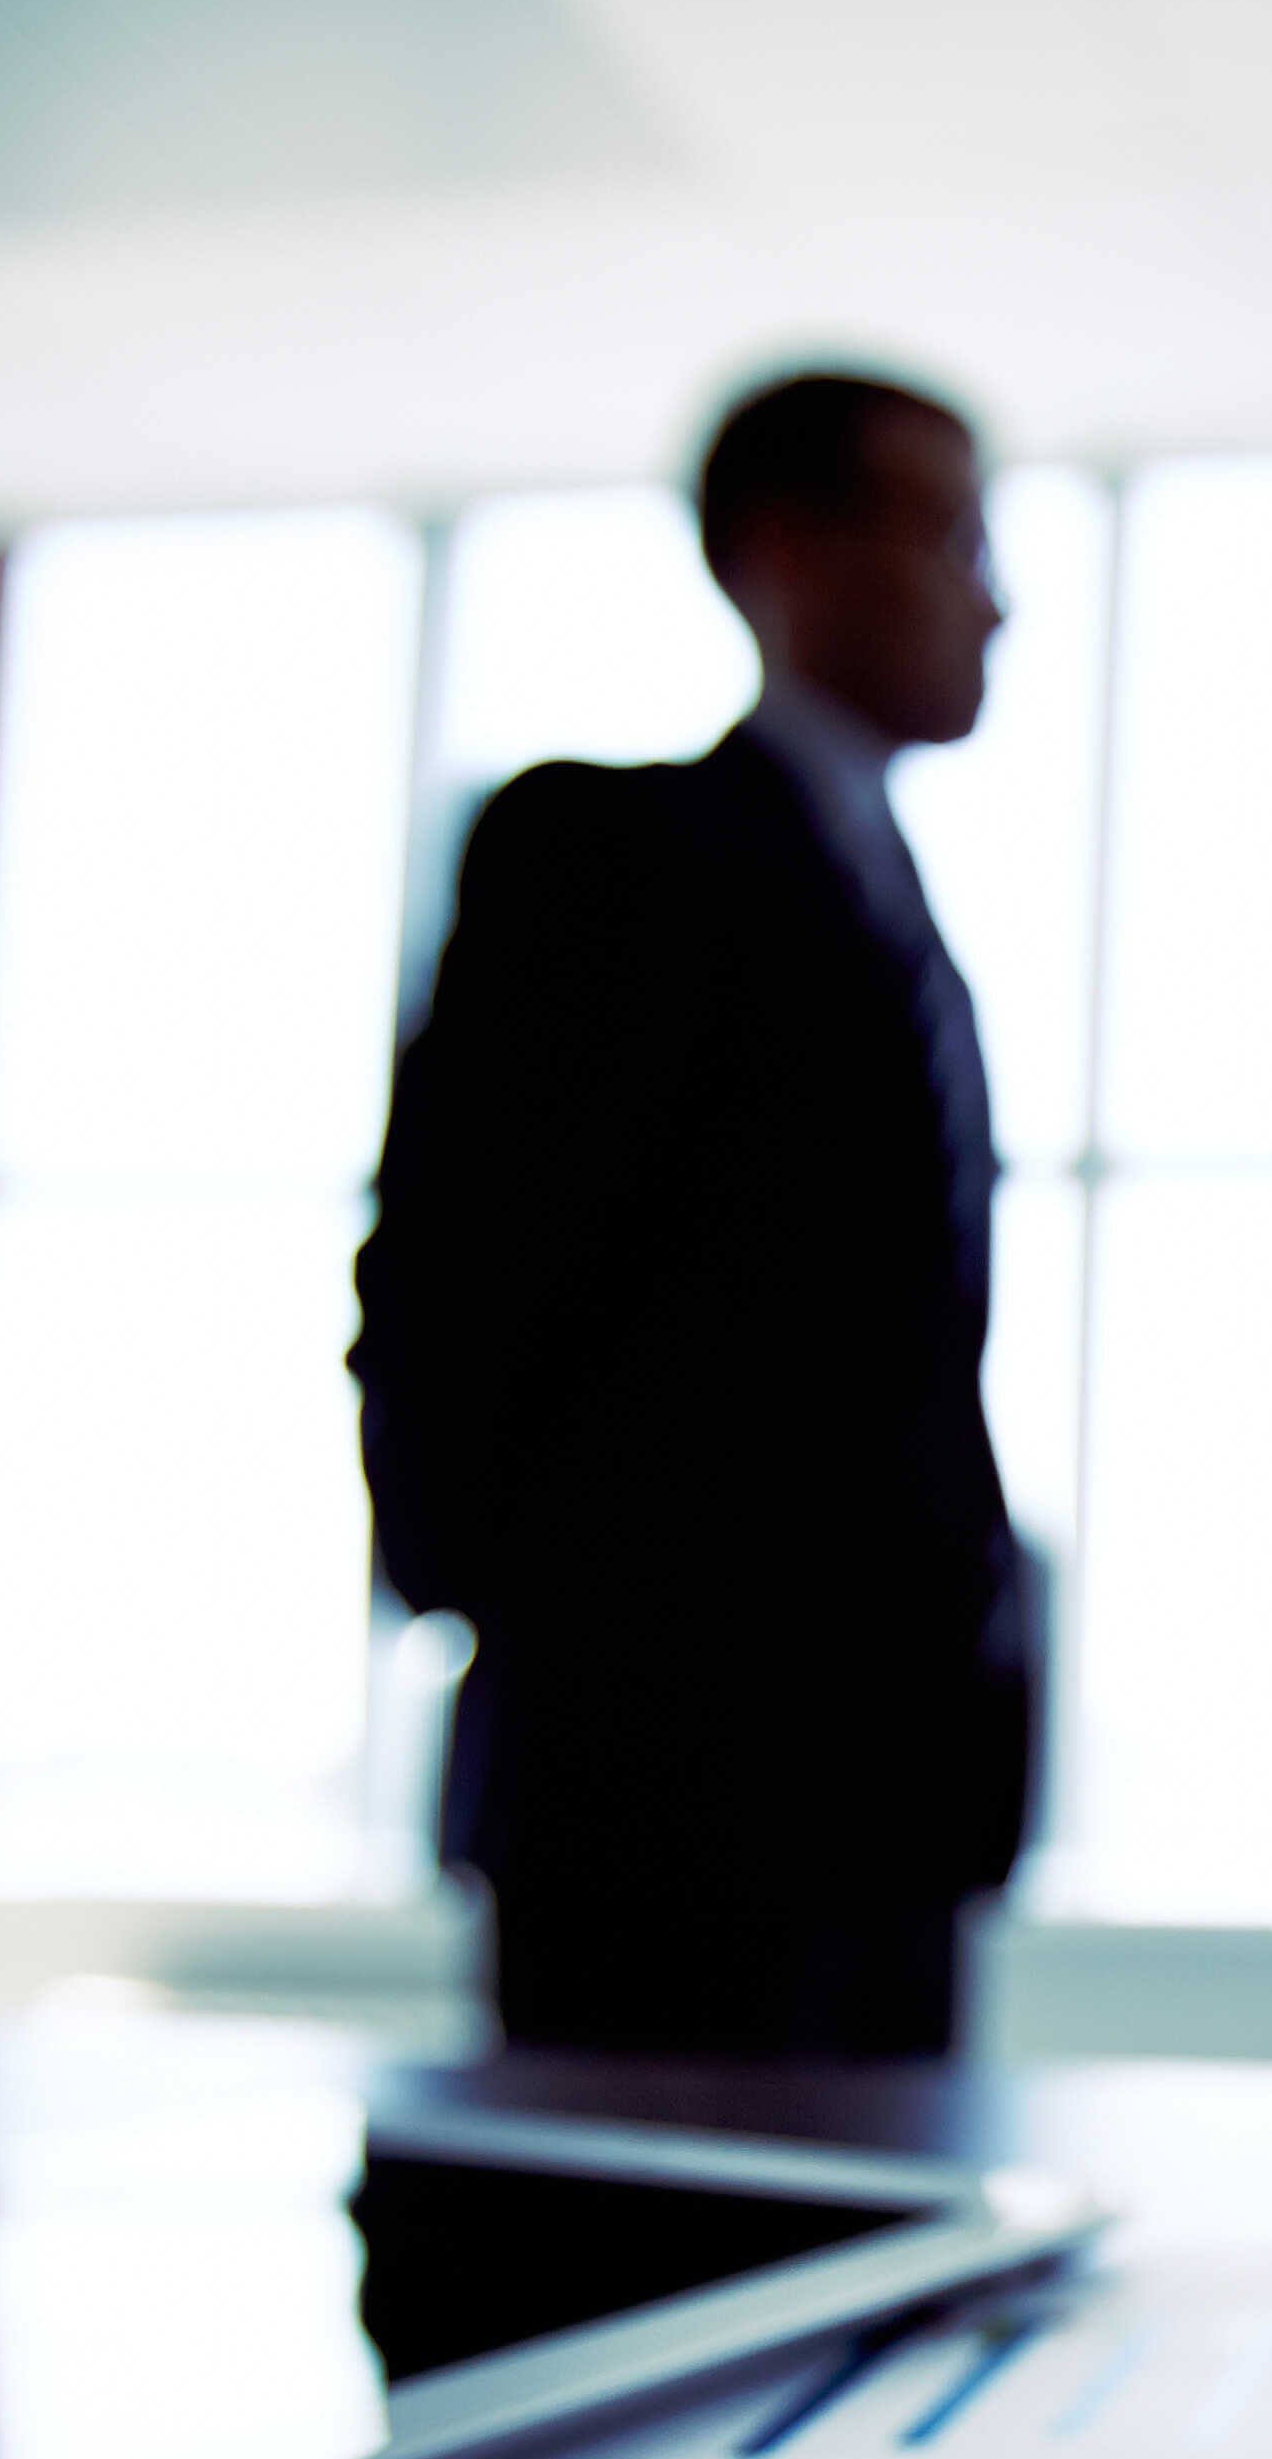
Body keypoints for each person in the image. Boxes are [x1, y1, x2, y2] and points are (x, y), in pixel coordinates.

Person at [351, 367, 1032, 2060]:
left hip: (897, 1807)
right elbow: (448, 1279)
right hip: (649, 1807)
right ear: (788, 552)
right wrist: (534, 1639)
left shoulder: (903, 909)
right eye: (949, 537)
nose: (994, 598)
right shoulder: (603, 850)